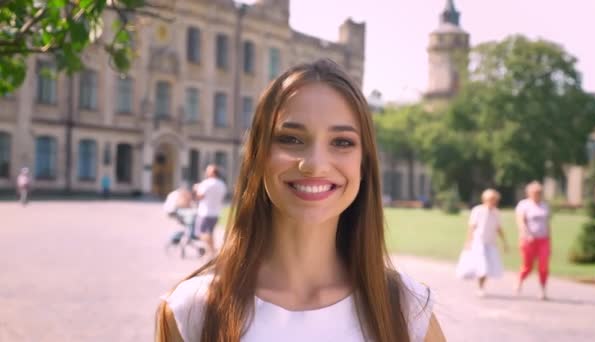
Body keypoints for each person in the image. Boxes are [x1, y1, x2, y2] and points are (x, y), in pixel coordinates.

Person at [155, 59, 445, 342]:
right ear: (258, 156)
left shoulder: (407, 311)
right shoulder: (193, 310)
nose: (315, 164)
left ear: (364, 164)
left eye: (342, 142)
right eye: (291, 139)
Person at [458, 189, 508, 297]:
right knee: (483, 266)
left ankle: (481, 285)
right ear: (485, 199)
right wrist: (468, 241)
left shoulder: (496, 213)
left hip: (490, 243)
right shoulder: (478, 210)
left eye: (495, 200)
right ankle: (480, 287)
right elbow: (472, 227)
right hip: (478, 242)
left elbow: (499, 228)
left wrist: (504, 242)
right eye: (491, 199)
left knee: (488, 267)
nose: (493, 201)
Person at [515, 181, 551, 300]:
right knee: (528, 266)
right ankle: (520, 280)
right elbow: (520, 221)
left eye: (539, 192)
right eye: (534, 192)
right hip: (528, 239)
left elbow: (547, 224)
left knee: (543, 265)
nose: (537, 194)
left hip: (543, 239)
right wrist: (526, 234)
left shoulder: (545, 205)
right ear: (529, 193)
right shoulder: (524, 205)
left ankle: (542, 289)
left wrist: (549, 238)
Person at [192, 165, 227, 257]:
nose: (206, 173)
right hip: (216, 213)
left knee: (201, 233)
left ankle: (212, 251)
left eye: (207, 171)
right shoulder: (222, 184)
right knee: (210, 234)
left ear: (212, 173)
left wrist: (195, 189)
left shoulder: (206, 183)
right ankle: (211, 252)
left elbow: (199, 197)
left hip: (205, 213)